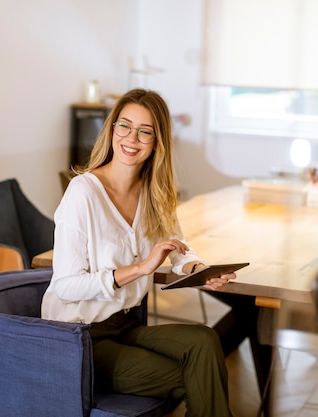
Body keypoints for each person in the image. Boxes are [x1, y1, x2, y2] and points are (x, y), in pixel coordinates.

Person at [41, 88, 236, 416]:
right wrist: (140, 269)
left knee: (204, 341)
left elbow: (178, 249)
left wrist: (199, 270)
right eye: (124, 126)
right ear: (112, 128)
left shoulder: (155, 193)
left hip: (126, 326)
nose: (132, 138)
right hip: (79, 337)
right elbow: (66, 286)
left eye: (146, 131)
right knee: (197, 374)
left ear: (158, 141)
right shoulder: (83, 193)